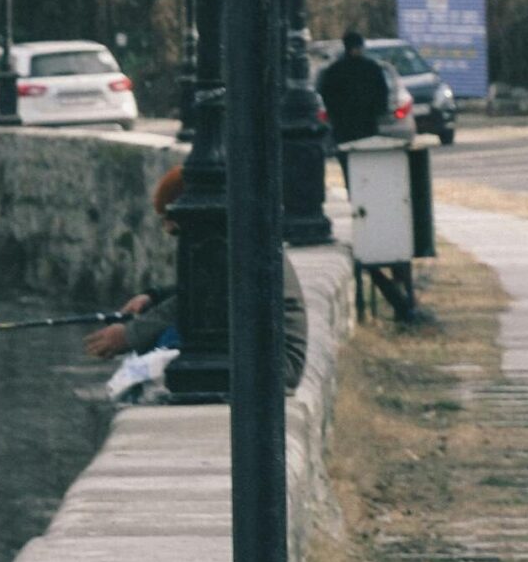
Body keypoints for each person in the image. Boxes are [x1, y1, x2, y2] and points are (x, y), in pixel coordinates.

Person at [85, 166, 308, 391]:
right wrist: (153, 296)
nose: (168, 228)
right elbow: (202, 286)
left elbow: (192, 302)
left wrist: (129, 335)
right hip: (266, 357)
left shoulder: (228, 244)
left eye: (170, 218)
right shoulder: (237, 236)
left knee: (170, 338)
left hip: (276, 365)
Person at [316, 30, 391, 146]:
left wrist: (334, 114)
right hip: (364, 120)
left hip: (346, 122)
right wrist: (378, 110)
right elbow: (382, 91)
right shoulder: (371, 68)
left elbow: (326, 93)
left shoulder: (335, 70)